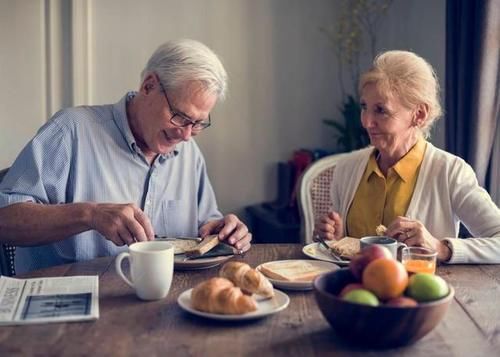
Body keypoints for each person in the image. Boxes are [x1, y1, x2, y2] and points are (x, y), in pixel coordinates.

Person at [0, 39, 252, 273]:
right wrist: (89, 215)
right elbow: (5, 221)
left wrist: (224, 231)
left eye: (197, 123)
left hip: (160, 307)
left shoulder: (189, 153)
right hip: (66, 308)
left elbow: (205, 226)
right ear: (149, 86)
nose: (186, 135)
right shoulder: (70, 131)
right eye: (180, 117)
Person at [314, 50, 500, 264]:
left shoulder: (451, 172)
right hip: (352, 294)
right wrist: (334, 240)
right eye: (365, 107)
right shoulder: (346, 168)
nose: (366, 122)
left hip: (419, 295)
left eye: (381, 110)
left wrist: (441, 248)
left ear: (419, 115)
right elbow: (344, 251)